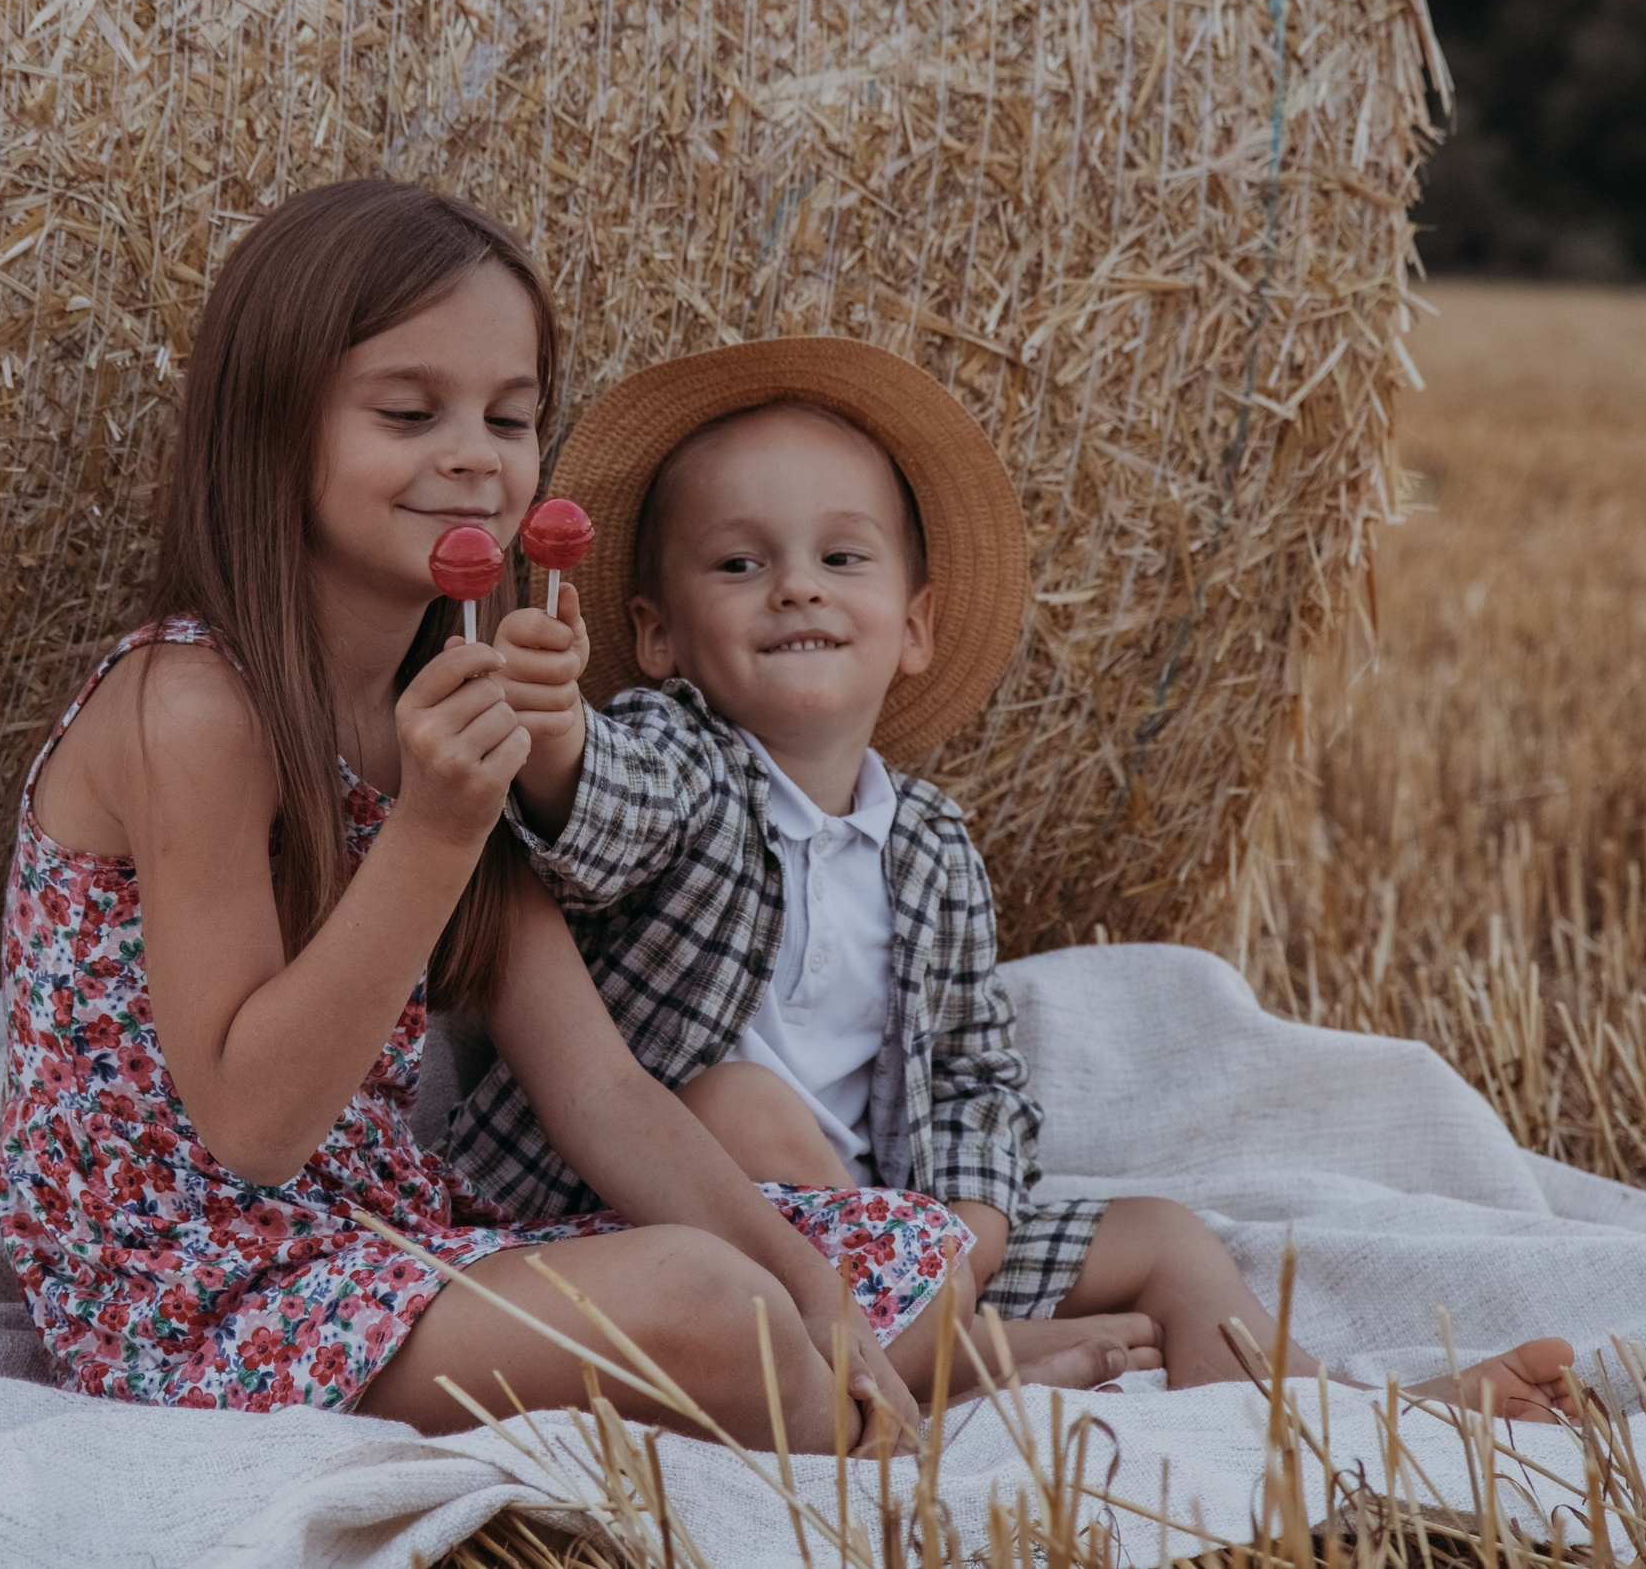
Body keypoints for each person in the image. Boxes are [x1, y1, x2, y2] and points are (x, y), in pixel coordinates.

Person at [0, 180, 1098, 1457]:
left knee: (892, 1250)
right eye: (410, 413)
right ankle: (890, 1432)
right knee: (707, 1300)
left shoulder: (444, 705)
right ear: (271, 429)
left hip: (393, 1239)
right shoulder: (193, 707)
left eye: (510, 418)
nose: (475, 455)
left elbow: (602, 1089)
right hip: (195, 1292)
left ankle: (869, 1367)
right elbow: (252, 1128)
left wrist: (822, 1297)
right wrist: (435, 829)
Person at [461, 341, 1577, 1416]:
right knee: (743, 1104)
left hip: (894, 1218)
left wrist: (974, 1227)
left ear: (915, 626)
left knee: (1166, 1237)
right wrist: (557, 731)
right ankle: (961, 1353)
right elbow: (599, 813)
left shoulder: (932, 847)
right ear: (657, 635)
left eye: (841, 559)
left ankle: (1313, 1411)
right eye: (740, 564)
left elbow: (973, 1073)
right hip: (664, 1220)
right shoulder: (680, 760)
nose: (796, 587)